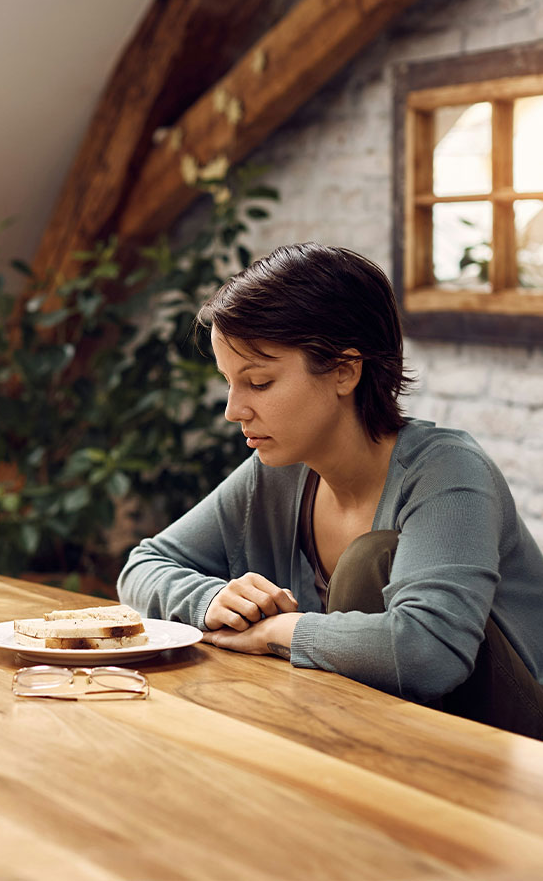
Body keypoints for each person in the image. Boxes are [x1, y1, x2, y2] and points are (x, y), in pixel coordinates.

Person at [116, 242, 543, 739]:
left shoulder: (448, 470)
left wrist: (276, 631)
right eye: (229, 383)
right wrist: (210, 601)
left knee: (370, 560)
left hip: (518, 748)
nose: (234, 410)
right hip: (379, 736)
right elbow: (142, 567)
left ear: (344, 370)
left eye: (258, 382)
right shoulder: (275, 472)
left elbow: (428, 653)